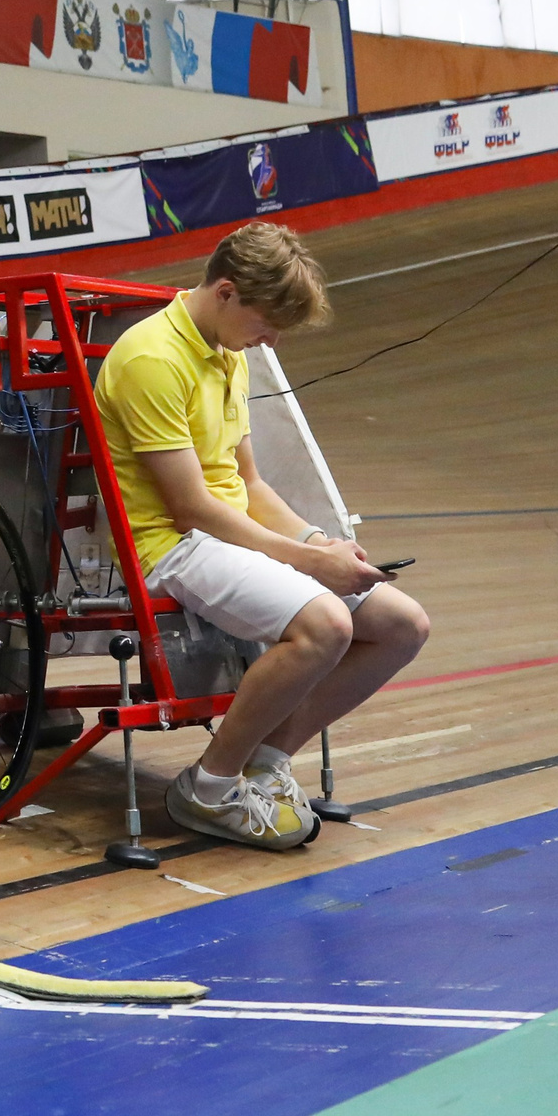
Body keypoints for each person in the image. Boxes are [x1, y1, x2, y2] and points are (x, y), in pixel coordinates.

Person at [93, 221, 431, 850]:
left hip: (226, 536)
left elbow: (247, 482)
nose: (269, 341)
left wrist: (319, 543)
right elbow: (192, 509)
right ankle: (210, 786)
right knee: (326, 624)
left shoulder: (227, 352)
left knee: (403, 624)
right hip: (171, 547)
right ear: (226, 292)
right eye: (266, 324)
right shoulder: (150, 358)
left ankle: (265, 761)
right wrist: (307, 561)